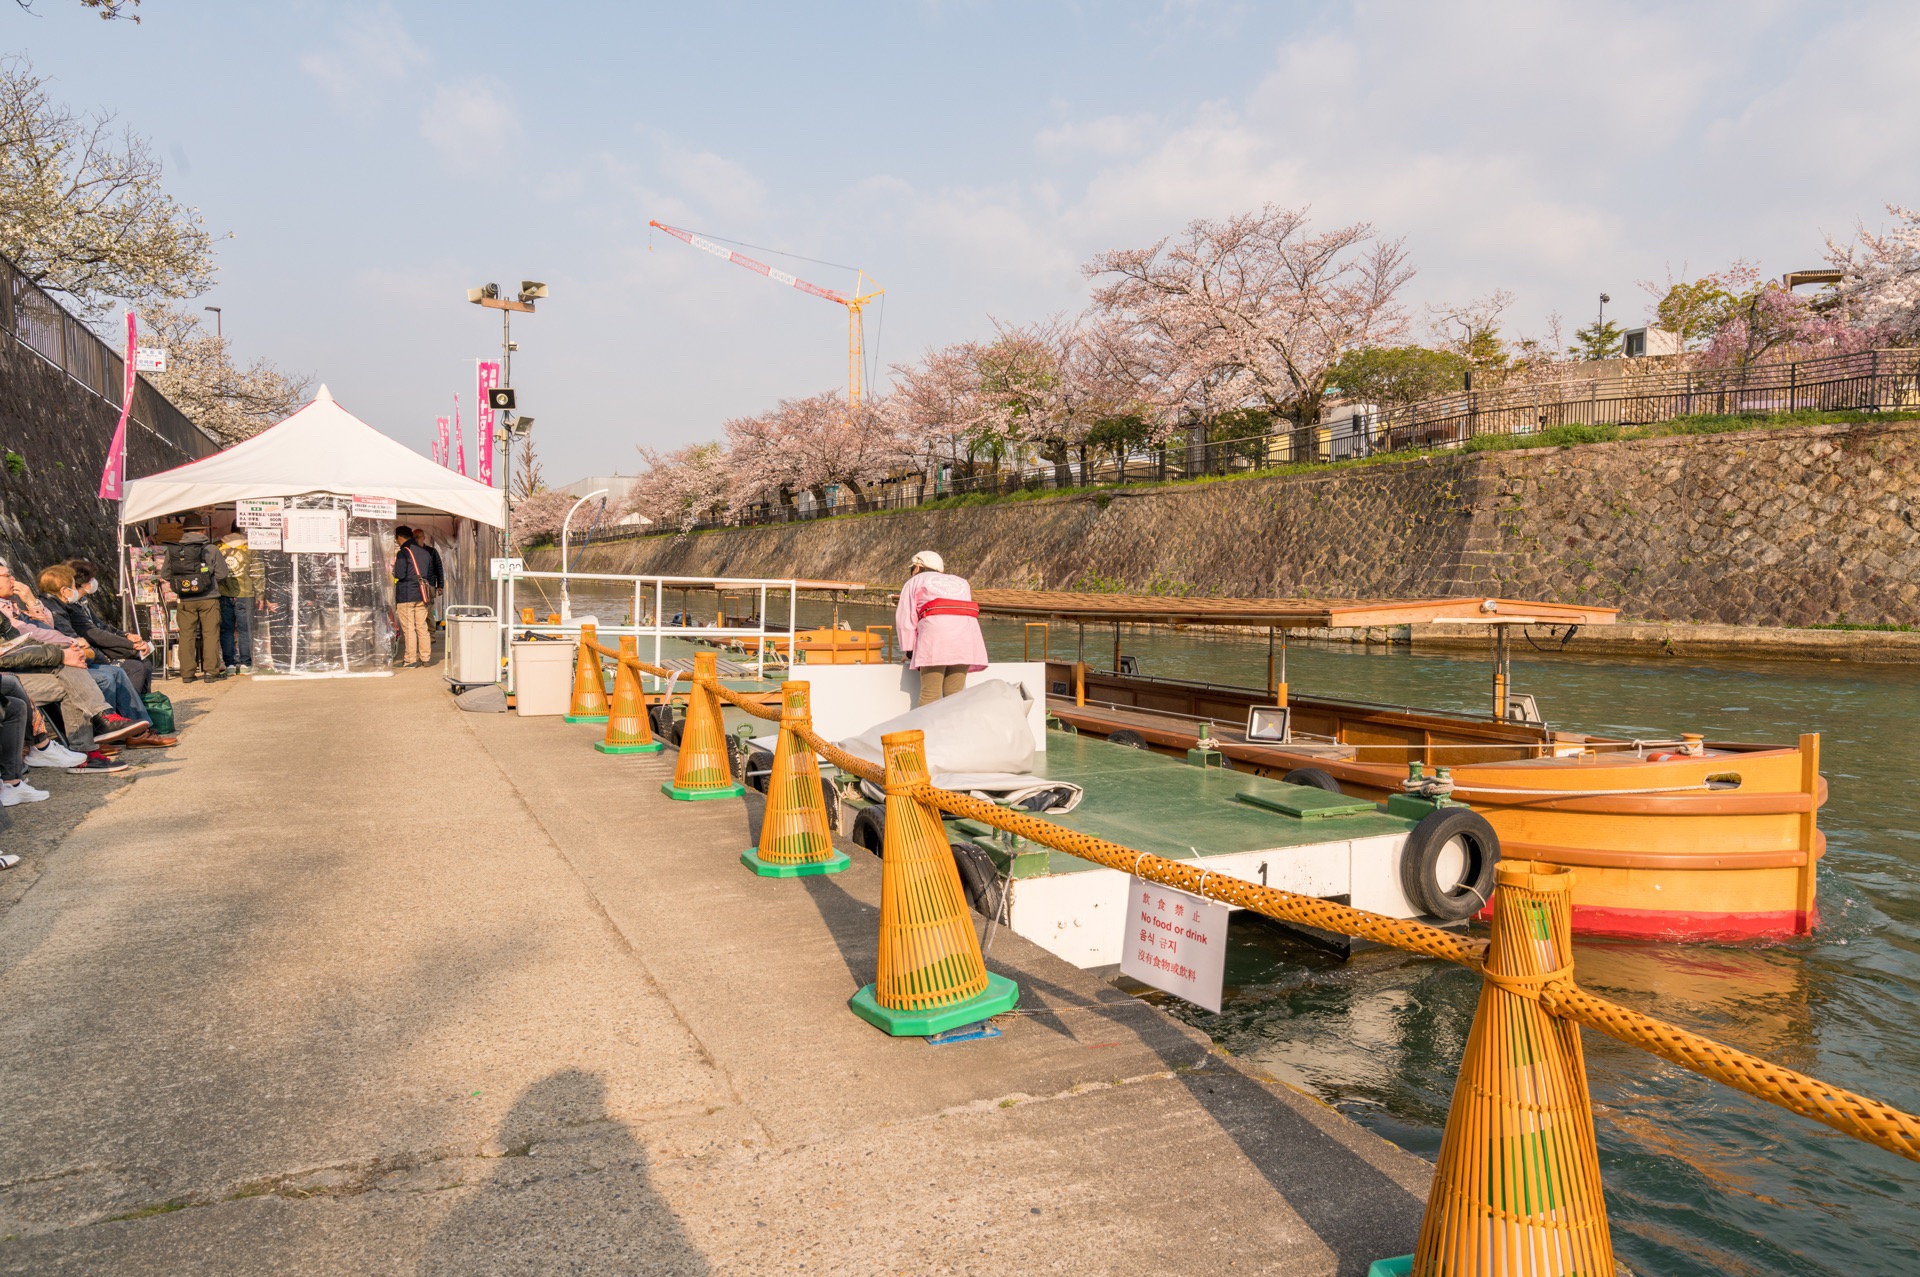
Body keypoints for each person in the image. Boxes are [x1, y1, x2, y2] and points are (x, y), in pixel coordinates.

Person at [894, 550, 988, 706]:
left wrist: (909, 650)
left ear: (917, 568)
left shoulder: (915, 581)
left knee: (930, 695)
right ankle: (954, 729)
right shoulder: (961, 582)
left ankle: (927, 730)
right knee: (955, 695)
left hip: (935, 640)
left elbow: (905, 618)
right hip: (966, 639)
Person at [166, 525, 228, 681]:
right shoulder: (211, 549)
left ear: (184, 531)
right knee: (210, 634)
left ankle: (187, 674)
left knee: (186, 635)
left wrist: (184, 585)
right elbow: (222, 573)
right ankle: (210, 672)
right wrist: (208, 582)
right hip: (209, 598)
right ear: (203, 531)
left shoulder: (174, 550)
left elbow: (165, 574)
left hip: (186, 600)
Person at [391, 526, 440, 667]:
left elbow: (400, 574)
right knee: (422, 626)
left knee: (409, 628)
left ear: (400, 537)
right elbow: (430, 575)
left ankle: (410, 659)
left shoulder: (403, 553)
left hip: (406, 595)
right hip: (422, 595)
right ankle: (425, 658)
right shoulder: (425, 553)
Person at [216, 531, 265, 675]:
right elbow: (257, 572)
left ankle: (229, 664)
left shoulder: (217, 546)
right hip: (246, 594)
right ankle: (245, 664)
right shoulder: (250, 547)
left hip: (223, 593)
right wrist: (260, 594)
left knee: (226, 631)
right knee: (245, 630)